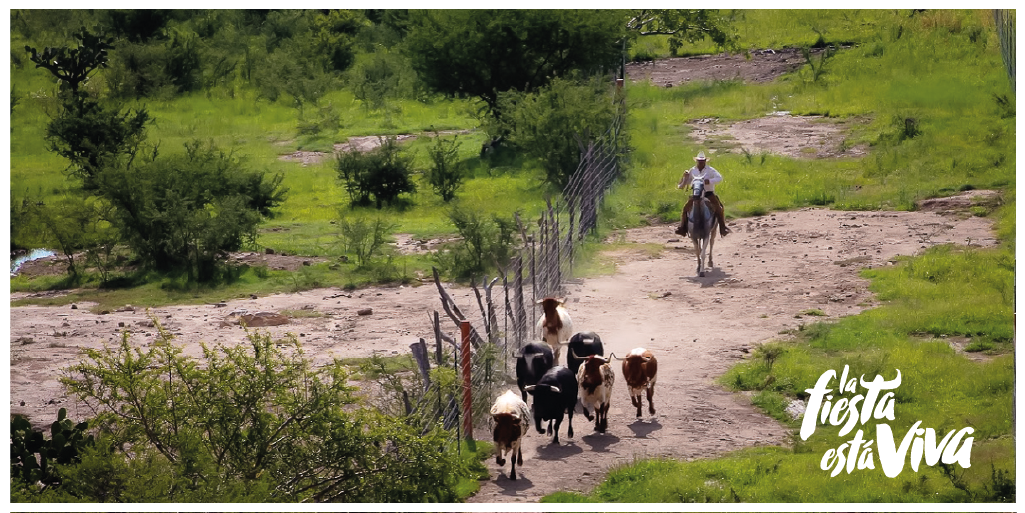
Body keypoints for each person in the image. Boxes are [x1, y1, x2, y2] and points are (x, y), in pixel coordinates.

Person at [675, 151, 730, 237]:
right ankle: (683, 228)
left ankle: (723, 228)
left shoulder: (710, 170)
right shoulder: (692, 170)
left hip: (708, 193)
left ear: (705, 161)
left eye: (702, 161)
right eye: (699, 161)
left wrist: (710, 181)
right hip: (696, 194)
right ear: (696, 161)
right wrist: (685, 179)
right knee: (685, 209)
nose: (701, 163)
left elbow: (719, 178)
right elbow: (687, 182)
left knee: (718, 208)